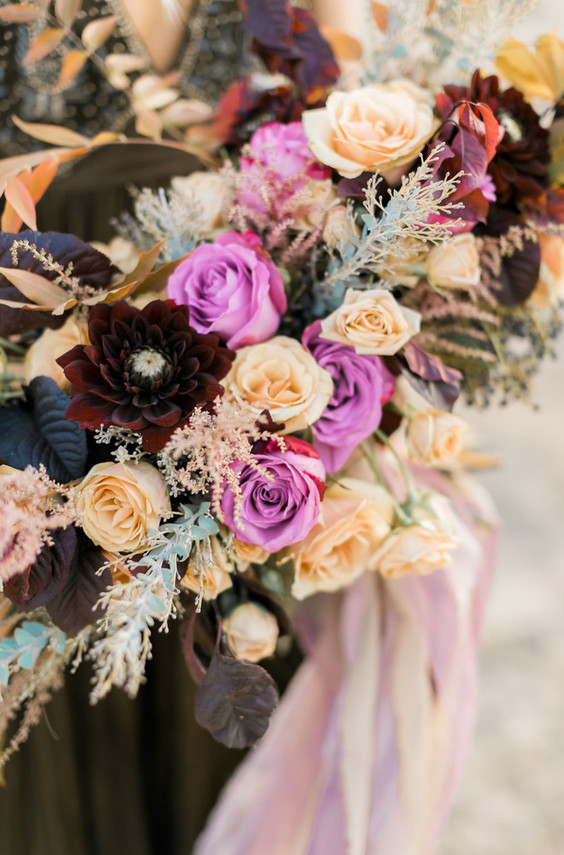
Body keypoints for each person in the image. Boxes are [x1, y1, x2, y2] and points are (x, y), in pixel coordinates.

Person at [0, 1, 327, 853]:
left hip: (233, 326)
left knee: (216, 649)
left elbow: (342, 81)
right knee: (60, 647)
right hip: (29, 344)